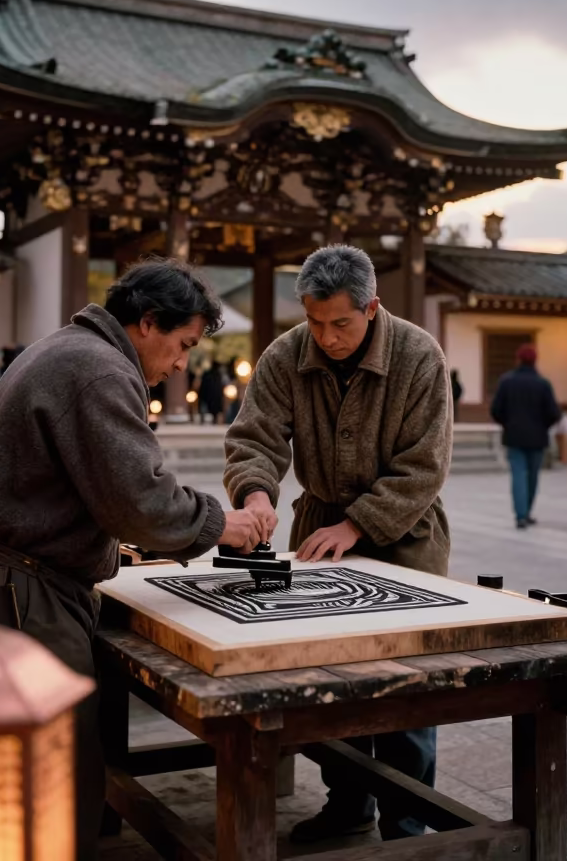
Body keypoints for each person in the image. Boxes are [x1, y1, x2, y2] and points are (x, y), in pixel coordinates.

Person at [0, 258, 268, 860]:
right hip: (27, 590)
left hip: (8, 576)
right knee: (57, 766)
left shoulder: (67, 348)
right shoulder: (100, 370)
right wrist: (219, 523)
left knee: (28, 756)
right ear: (147, 323)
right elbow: (140, 501)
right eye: (182, 345)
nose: (181, 364)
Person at [224, 245, 451, 844]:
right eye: (314, 322)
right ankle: (348, 804)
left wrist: (357, 525)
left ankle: (407, 822)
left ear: (372, 308)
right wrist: (256, 494)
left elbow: (425, 466)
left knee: (408, 690)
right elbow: (255, 436)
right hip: (316, 526)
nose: (325, 337)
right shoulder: (284, 353)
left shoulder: (419, 354)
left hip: (406, 533)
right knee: (325, 686)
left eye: (341, 324)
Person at [490, 344, 561, 529]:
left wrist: (507, 423)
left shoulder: (507, 381)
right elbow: (554, 413)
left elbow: (496, 410)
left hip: (514, 436)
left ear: (518, 359)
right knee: (533, 476)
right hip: (537, 437)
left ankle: (520, 515)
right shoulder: (543, 384)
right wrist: (543, 426)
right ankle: (527, 512)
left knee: (518, 475)